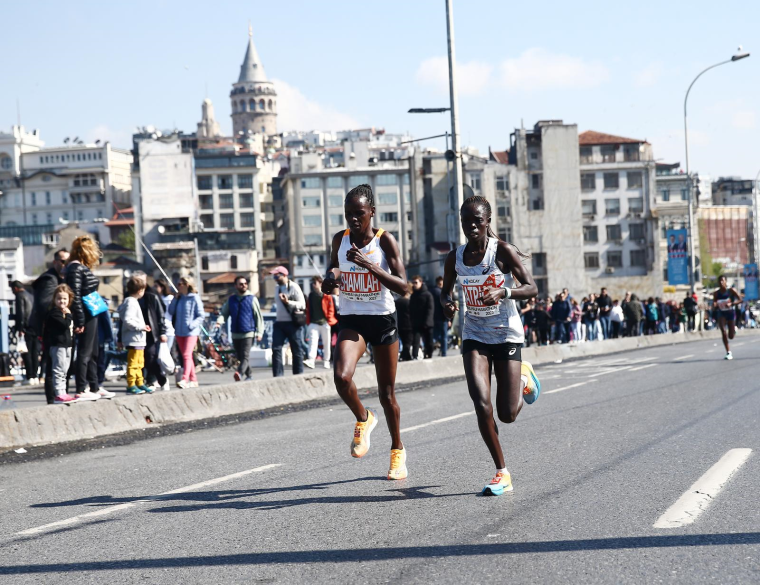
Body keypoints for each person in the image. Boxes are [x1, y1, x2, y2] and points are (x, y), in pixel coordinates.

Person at [440, 195, 540, 496]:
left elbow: (532, 288)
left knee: (507, 414)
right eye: (466, 221)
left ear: (488, 222)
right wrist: (447, 304)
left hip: (506, 335)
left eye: (477, 221)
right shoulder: (454, 258)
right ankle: (502, 472)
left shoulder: (502, 252)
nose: (471, 226)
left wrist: (503, 292)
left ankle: (524, 376)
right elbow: (445, 293)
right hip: (474, 335)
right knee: (481, 404)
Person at [321, 183, 409, 480]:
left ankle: (397, 451)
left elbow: (404, 287)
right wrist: (330, 279)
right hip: (352, 319)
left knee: (387, 394)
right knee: (341, 376)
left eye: (359, 213)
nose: (353, 220)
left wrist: (370, 266)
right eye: (348, 214)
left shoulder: (385, 242)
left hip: (382, 320)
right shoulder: (341, 239)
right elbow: (335, 267)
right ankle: (363, 417)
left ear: (372, 212)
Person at [65, 235, 105, 401]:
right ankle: (82, 388)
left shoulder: (79, 268)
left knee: (93, 351)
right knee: (85, 352)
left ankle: (94, 387)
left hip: (91, 313)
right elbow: (76, 295)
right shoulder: (76, 268)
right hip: (86, 314)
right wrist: (80, 320)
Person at [32, 248, 70, 403]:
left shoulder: (62, 279)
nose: (65, 264)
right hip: (50, 331)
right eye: (62, 261)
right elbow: (44, 305)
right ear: (55, 262)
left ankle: (61, 395)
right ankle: (52, 398)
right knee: (51, 366)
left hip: (59, 330)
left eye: (68, 261)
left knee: (61, 366)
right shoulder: (49, 279)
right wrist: (64, 313)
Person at [217, 275, 264, 381]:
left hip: (249, 332)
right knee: (240, 356)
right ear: (236, 286)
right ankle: (249, 375)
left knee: (245, 355)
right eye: (241, 284)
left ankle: (239, 373)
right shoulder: (231, 300)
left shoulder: (252, 299)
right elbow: (224, 313)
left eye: (245, 284)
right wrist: (219, 322)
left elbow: (258, 317)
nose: (244, 286)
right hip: (235, 333)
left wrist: (259, 332)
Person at [118, 276, 153, 395]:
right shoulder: (131, 303)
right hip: (134, 339)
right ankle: (131, 384)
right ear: (140, 291)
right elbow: (128, 320)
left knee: (139, 362)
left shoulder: (131, 302)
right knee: (134, 363)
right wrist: (141, 327)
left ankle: (139, 382)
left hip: (138, 339)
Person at [43, 284, 78, 404]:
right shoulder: (54, 313)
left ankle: (63, 392)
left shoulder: (63, 312)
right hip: (58, 345)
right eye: (59, 298)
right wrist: (68, 315)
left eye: (64, 299)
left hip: (67, 345)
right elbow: (64, 325)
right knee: (58, 370)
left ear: (69, 300)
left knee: (64, 370)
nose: (62, 301)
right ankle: (58, 393)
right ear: (54, 299)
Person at [168, 276, 204, 388]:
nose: (178, 286)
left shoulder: (194, 298)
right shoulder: (179, 298)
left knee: (187, 355)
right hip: (179, 331)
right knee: (186, 356)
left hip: (190, 332)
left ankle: (185, 378)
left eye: (180, 284)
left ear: (187, 285)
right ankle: (194, 380)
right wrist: (175, 298)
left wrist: (191, 325)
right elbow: (170, 311)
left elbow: (201, 315)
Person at [270, 266, 306, 377]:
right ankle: (278, 376)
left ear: (284, 275)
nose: (274, 277)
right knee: (276, 349)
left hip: (292, 323)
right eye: (274, 275)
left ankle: (298, 375)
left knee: (296, 349)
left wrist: (288, 302)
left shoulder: (294, 287)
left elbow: (302, 304)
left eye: (277, 275)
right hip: (279, 322)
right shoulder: (277, 288)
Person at [305, 276, 337, 369]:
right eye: (313, 283)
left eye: (315, 283)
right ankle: (311, 360)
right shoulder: (311, 295)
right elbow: (308, 309)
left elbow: (331, 309)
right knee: (312, 341)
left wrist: (328, 321)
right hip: (313, 322)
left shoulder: (326, 295)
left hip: (325, 322)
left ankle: (326, 360)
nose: (313, 285)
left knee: (327, 342)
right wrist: (308, 322)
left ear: (320, 283)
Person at [12, 281, 39, 386]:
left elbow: (21, 312)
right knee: (34, 353)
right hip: (34, 327)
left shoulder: (20, 296)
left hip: (26, 328)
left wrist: (20, 328)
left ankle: (29, 376)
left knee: (26, 352)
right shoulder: (31, 295)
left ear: (15, 288)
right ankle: (35, 376)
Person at [713, 275, 742, 360]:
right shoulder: (716, 293)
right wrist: (715, 304)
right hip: (721, 313)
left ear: (726, 281)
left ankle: (734, 330)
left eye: (723, 280)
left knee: (731, 336)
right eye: (720, 281)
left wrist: (731, 304)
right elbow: (714, 301)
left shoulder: (731, 291)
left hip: (730, 313)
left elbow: (740, 299)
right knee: (723, 331)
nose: (721, 282)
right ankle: (728, 352)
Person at [410, 275, 434, 359]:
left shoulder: (428, 295)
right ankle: (415, 356)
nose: (414, 284)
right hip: (416, 323)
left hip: (427, 324)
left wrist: (427, 322)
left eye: (416, 282)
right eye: (413, 283)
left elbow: (430, 309)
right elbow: (411, 310)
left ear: (421, 282)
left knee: (429, 342)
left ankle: (428, 355)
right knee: (415, 341)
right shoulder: (413, 296)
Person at [96, 309, 116, 397]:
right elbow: (107, 321)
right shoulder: (99, 302)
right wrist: (109, 337)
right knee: (100, 362)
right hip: (99, 337)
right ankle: (98, 384)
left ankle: (91, 385)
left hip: (88, 338)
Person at [395, 284, 413, 360]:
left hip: (399, 324)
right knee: (408, 342)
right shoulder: (409, 302)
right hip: (409, 324)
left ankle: (407, 356)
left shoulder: (396, 302)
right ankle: (403, 355)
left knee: (405, 341)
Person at [432, 276, 449, 357]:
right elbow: (446, 307)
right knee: (444, 336)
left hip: (434, 317)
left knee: (435, 335)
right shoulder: (443, 293)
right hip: (443, 318)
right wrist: (448, 319)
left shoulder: (432, 291)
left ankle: (435, 346)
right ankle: (444, 353)